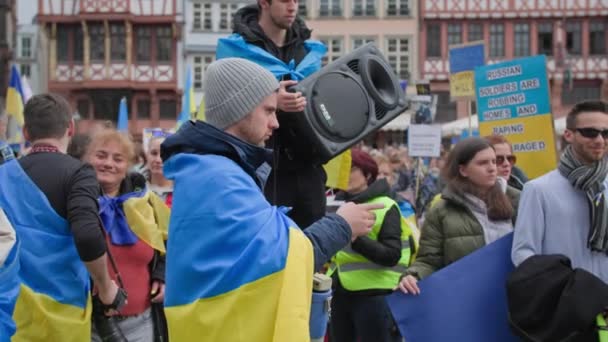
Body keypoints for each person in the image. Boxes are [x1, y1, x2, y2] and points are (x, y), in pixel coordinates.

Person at [160, 58, 383, 341]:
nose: (276, 122)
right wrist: (342, 225)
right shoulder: (219, 178)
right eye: (268, 110)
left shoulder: (210, 167)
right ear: (239, 110)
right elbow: (283, 256)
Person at [0, 94, 121, 341]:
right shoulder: (79, 174)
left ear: (25, 132)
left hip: (11, 313)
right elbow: (87, 235)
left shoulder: (2, 175)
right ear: (71, 128)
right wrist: (106, 287)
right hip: (64, 315)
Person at [216, 0, 327, 228]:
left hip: (307, 168)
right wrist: (273, 101)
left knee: (314, 252)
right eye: (285, 0)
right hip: (260, 169)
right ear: (264, 3)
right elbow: (224, 105)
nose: (292, 7)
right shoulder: (237, 49)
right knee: (265, 249)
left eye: (297, 1)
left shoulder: (308, 51)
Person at [398, 137, 520, 295]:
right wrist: (413, 276)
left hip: (516, 295)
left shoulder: (519, 199)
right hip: (468, 298)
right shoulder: (441, 210)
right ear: (463, 170)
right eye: (483, 163)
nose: (492, 168)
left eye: (493, 161)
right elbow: (429, 261)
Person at [86, 129, 170, 341]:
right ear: (88, 159)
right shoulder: (76, 203)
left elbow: (168, 241)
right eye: (101, 155)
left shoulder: (146, 202)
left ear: (128, 166)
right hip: (91, 325)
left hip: (142, 323)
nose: (109, 163)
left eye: (118, 158)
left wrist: (162, 274)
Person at [512, 100, 608, 280]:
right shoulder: (538, 189)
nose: (599, 140)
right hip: (565, 299)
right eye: (590, 132)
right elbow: (524, 253)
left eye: (605, 133)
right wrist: (559, 288)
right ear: (568, 135)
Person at [329, 149, 415, 342]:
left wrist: (355, 238)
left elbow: (392, 255)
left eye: (351, 169)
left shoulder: (385, 205)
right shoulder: (335, 204)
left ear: (367, 174)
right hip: (341, 293)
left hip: (375, 296)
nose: (345, 174)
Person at [146, 136, 173, 207]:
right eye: (154, 153)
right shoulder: (136, 190)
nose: (158, 160)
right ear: (147, 156)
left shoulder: (181, 193)